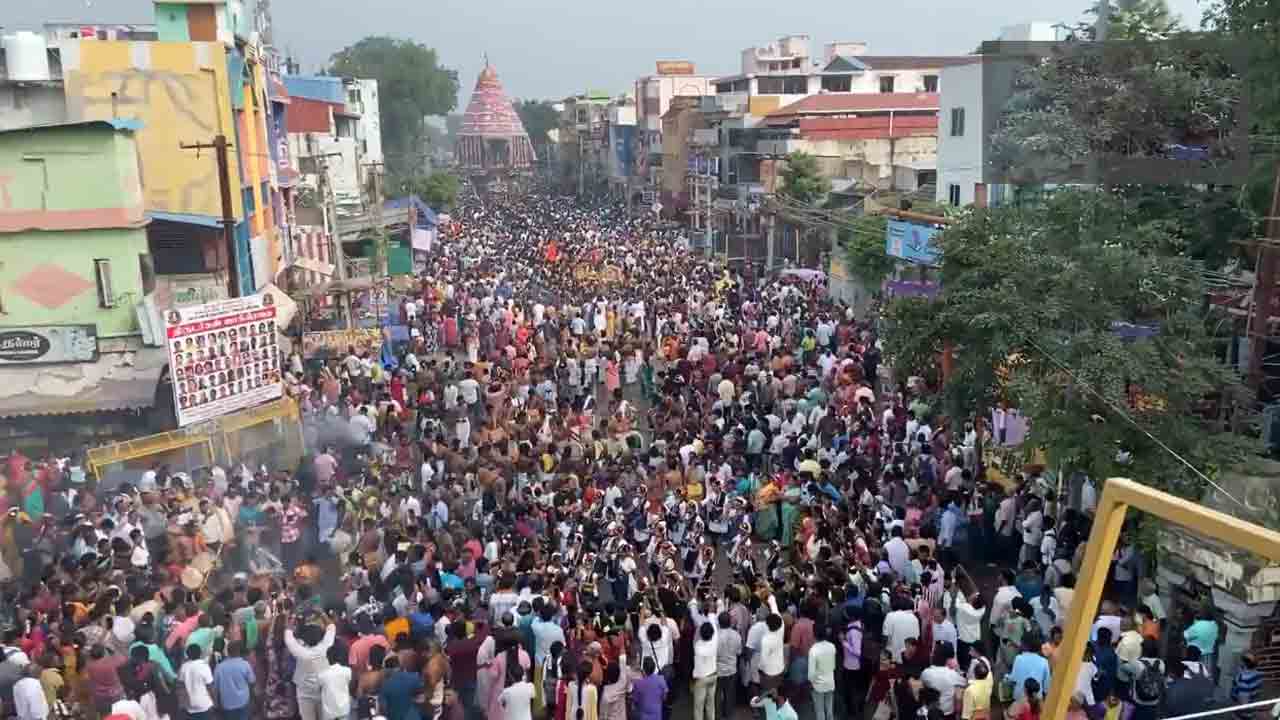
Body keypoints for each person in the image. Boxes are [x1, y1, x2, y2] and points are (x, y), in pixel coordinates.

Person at [212, 641, 256, 720]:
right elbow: (252, 681)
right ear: (239, 652)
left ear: (228, 652)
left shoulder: (219, 667)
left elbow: (215, 688)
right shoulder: (245, 664)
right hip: (243, 701)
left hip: (227, 704)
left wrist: (216, 704)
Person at [807, 623, 836, 720]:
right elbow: (833, 666)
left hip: (818, 685)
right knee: (829, 708)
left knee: (820, 711)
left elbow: (811, 673)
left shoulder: (813, 650)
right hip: (830, 682)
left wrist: (811, 682)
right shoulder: (832, 646)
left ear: (814, 634)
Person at [179, 644, 215, 720]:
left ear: (188, 654)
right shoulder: (204, 666)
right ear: (200, 653)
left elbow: (181, 687)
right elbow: (210, 686)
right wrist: (215, 701)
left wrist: (182, 703)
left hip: (189, 705)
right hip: (204, 704)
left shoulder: (184, 667)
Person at [692, 620, 718, 720]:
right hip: (713, 675)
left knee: (699, 707)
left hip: (701, 679)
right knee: (711, 704)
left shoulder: (697, 646)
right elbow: (714, 628)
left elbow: (695, 638)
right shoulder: (714, 642)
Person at [318, 646, 353, 720]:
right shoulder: (347, 671)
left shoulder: (322, 674)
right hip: (344, 710)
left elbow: (318, 689)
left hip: (328, 713)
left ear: (327, 658)